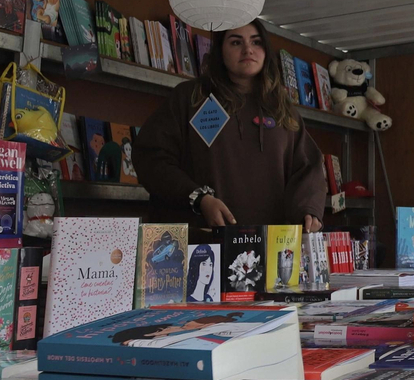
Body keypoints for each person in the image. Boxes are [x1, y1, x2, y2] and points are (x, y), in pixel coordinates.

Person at [138, 19, 326, 233]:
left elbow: (308, 168)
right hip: (201, 244)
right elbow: (151, 157)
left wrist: (308, 209)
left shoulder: (282, 110)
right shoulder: (191, 98)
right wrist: (198, 198)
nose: (248, 49)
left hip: (268, 247)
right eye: (236, 43)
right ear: (220, 50)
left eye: (256, 42)